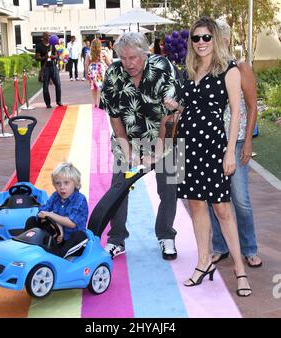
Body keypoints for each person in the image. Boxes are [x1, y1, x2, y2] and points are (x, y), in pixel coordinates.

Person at [164, 16, 252, 296]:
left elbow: (236, 113)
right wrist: (175, 106)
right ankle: (203, 263)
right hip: (186, 146)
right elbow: (187, 107)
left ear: (215, 39)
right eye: (196, 38)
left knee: (223, 209)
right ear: (190, 42)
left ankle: (239, 269)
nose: (201, 43)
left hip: (214, 147)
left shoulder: (230, 69)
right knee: (197, 207)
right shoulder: (187, 70)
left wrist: (230, 152)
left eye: (206, 37)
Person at [99, 32, 179, 260]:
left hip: (165, 138)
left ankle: (166, 235)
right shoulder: (114, 73)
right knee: (119, 188)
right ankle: (117, 239)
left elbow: (171, 116)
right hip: (128, 139)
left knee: (169, 188)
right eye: (122, 58)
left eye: (133, 57)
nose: (128, 63)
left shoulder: (163, 67)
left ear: (145, 54)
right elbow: (114, 116)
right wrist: (128, 151)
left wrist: (156, 153)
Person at [209, 19, 262, 268]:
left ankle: (249, 248)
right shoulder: (206, 68)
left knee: (240, 198)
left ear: (227, 40)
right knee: (212, 198)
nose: (210, 42)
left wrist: (249, 142)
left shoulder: (241, 68)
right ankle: (220, 246)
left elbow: (252, 107)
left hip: (238, 140)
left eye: (216, 37)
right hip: (210, 142)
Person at [25, 162, 88, 258]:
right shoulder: (56, 196)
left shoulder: (80, 199)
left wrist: (50, 215)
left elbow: (72, 223)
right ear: (54, 185)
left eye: (66, 183)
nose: (62, 187)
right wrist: (59, 226)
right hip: (57, 237)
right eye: (58, 183)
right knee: (32, 220)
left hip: (71, 240)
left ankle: (59, 256)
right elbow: (42, 212)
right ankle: (29, 246)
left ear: (75, 183)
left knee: (80, 236)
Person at [35, 31, 62, 108]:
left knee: (58, 84)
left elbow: (57, 56)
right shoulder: (39, 46)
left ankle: (58, 101)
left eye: (49, 35)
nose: (49, 37)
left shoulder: (52, 45)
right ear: (43, 36)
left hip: (53, 66)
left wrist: (53, 56)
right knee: (45, 87)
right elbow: (37, 58)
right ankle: (48, 103)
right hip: (45, 68)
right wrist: (44, 57)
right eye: (47, 35)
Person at [85, 38, 111, 107]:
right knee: (103, 87)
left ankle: (95, 102)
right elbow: (109, 63)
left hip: (92, 71)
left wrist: (86, 73)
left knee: (94, 87)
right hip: (101, 70)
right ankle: (102, 101)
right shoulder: (103, 52)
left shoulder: (88, 53)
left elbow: (86, 64)